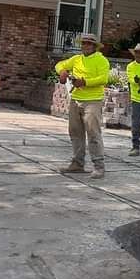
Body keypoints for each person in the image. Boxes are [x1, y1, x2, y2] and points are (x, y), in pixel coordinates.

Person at [55, 33, 110, 179]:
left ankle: (99, 166)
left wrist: (85, 82)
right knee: (75, 132)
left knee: (93, 133)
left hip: (93, 101)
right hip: (76, 99)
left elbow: (104, 78)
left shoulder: (101, 60)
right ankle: (77, 163)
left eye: (89, 43)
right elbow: (59, 64)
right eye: (84, 43)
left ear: (95, 46)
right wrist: (62, 71)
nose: (85, 46)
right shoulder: (76, 59)